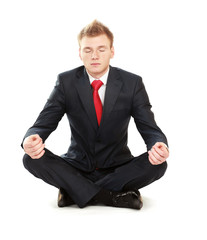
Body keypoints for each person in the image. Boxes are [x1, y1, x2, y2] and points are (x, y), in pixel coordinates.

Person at [22, 20, 169, 210]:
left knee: (158, 164)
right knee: (30, 159)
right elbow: (43, 123)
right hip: (77, 166)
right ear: (80, 53)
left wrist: (158, 144)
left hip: (118, 166)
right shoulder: (66, 82)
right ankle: (112, 196)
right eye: (88, 50)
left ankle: (75, 190)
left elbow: (149, 128)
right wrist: (31, 139)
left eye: (101, 49)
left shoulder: (132, 83)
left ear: (112, 51)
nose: (95, 56)